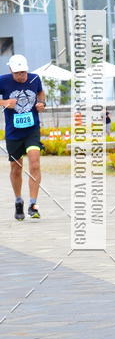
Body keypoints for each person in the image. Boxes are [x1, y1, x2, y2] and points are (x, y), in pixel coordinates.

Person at [0, 54, 45, 220]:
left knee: (34, 163)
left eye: (23, 72)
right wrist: (4, 103)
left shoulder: (34, 79)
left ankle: (33, 204)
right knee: (16, 168)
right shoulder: (3, 81)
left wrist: (42, 104)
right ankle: (18, 200)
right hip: (13, 133)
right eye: (17, 73)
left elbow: (40, 93)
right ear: (11, 70)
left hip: (32, 130)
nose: (21, 76)